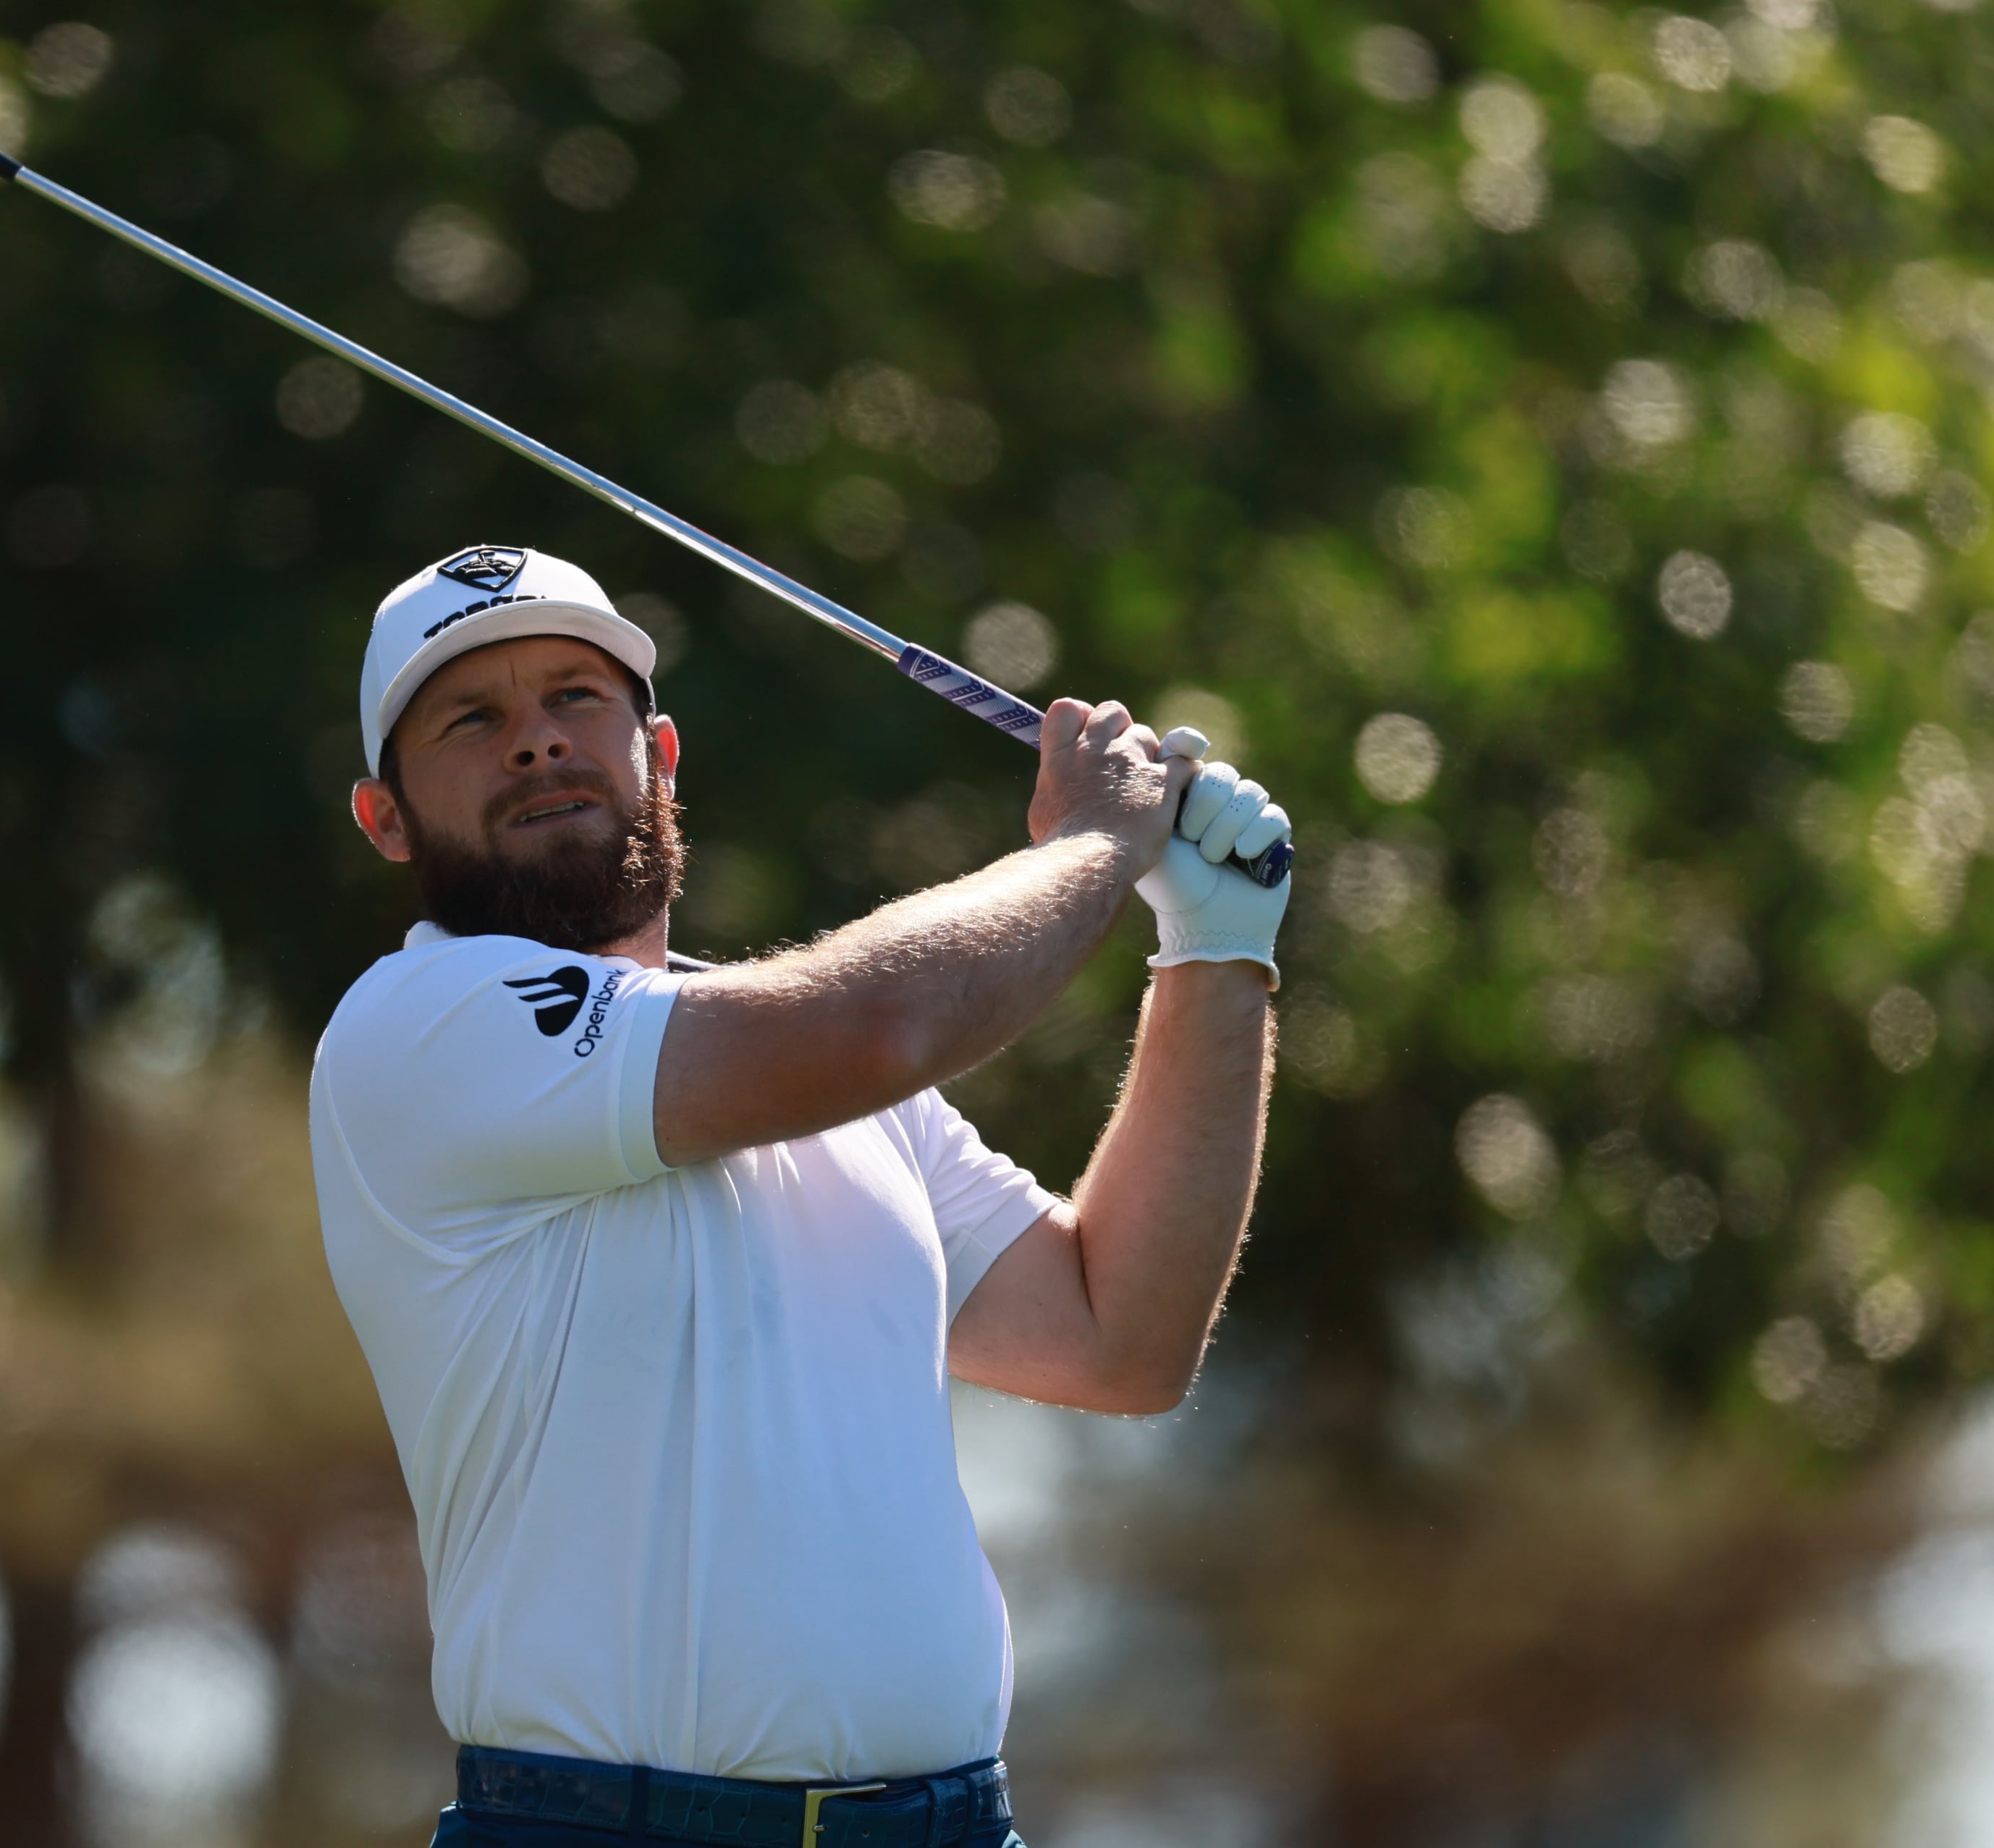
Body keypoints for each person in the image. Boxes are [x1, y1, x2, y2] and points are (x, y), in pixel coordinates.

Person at [311, 545, 1290, 1848]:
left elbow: (1121, 1334)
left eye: (572, 699)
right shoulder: (419, 1029)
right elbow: (879, 1021)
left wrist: (1214, 952)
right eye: (471, 720)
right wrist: (1106, 843)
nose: (537, 744)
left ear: (661, 752)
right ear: (387, 818)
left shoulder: (826, 1085)